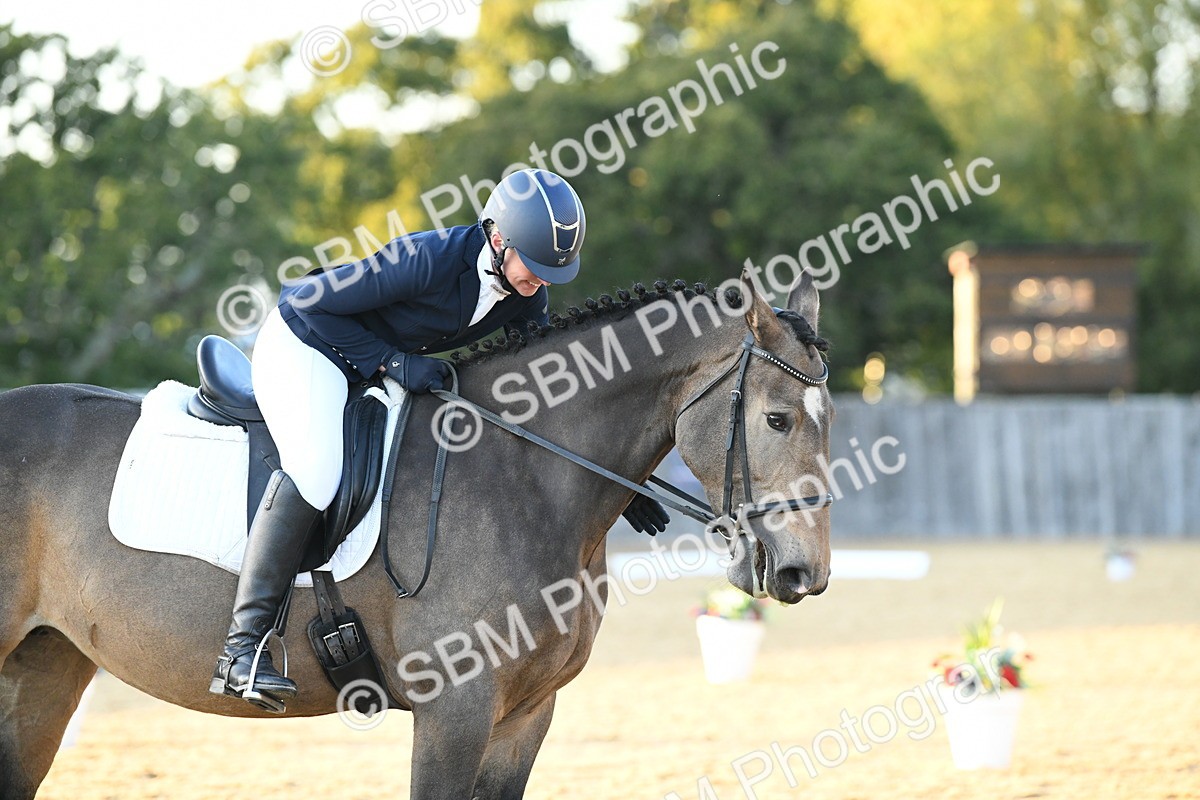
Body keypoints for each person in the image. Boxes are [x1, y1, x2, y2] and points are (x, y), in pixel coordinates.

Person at [210, 168, 667, 711]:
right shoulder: (427, 259)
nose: (540, 282)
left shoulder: (523, 290)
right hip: (306, 344)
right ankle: (242, 649)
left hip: (366, 365)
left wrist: (624, 479)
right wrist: (393, 361)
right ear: (498, 239)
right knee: (315, 470)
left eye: (552, 272)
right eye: (535, 266)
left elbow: (551, 395)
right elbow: (307, 300)